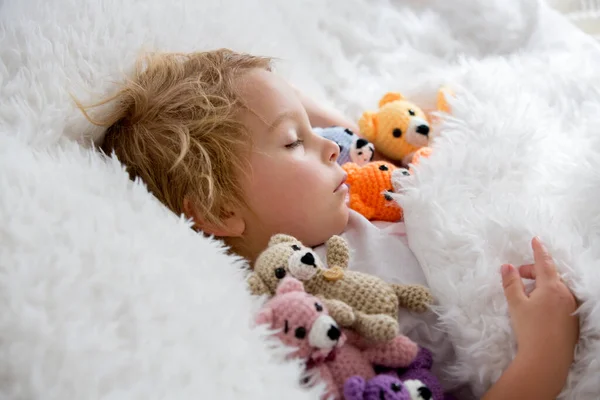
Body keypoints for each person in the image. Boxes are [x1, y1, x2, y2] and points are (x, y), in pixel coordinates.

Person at [79, 49, 579, 399]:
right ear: (216, 211)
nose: (331, 145)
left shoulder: (337, 201)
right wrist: (543, 360)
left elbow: (359, 138)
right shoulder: (313, 317)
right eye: (294, 141)